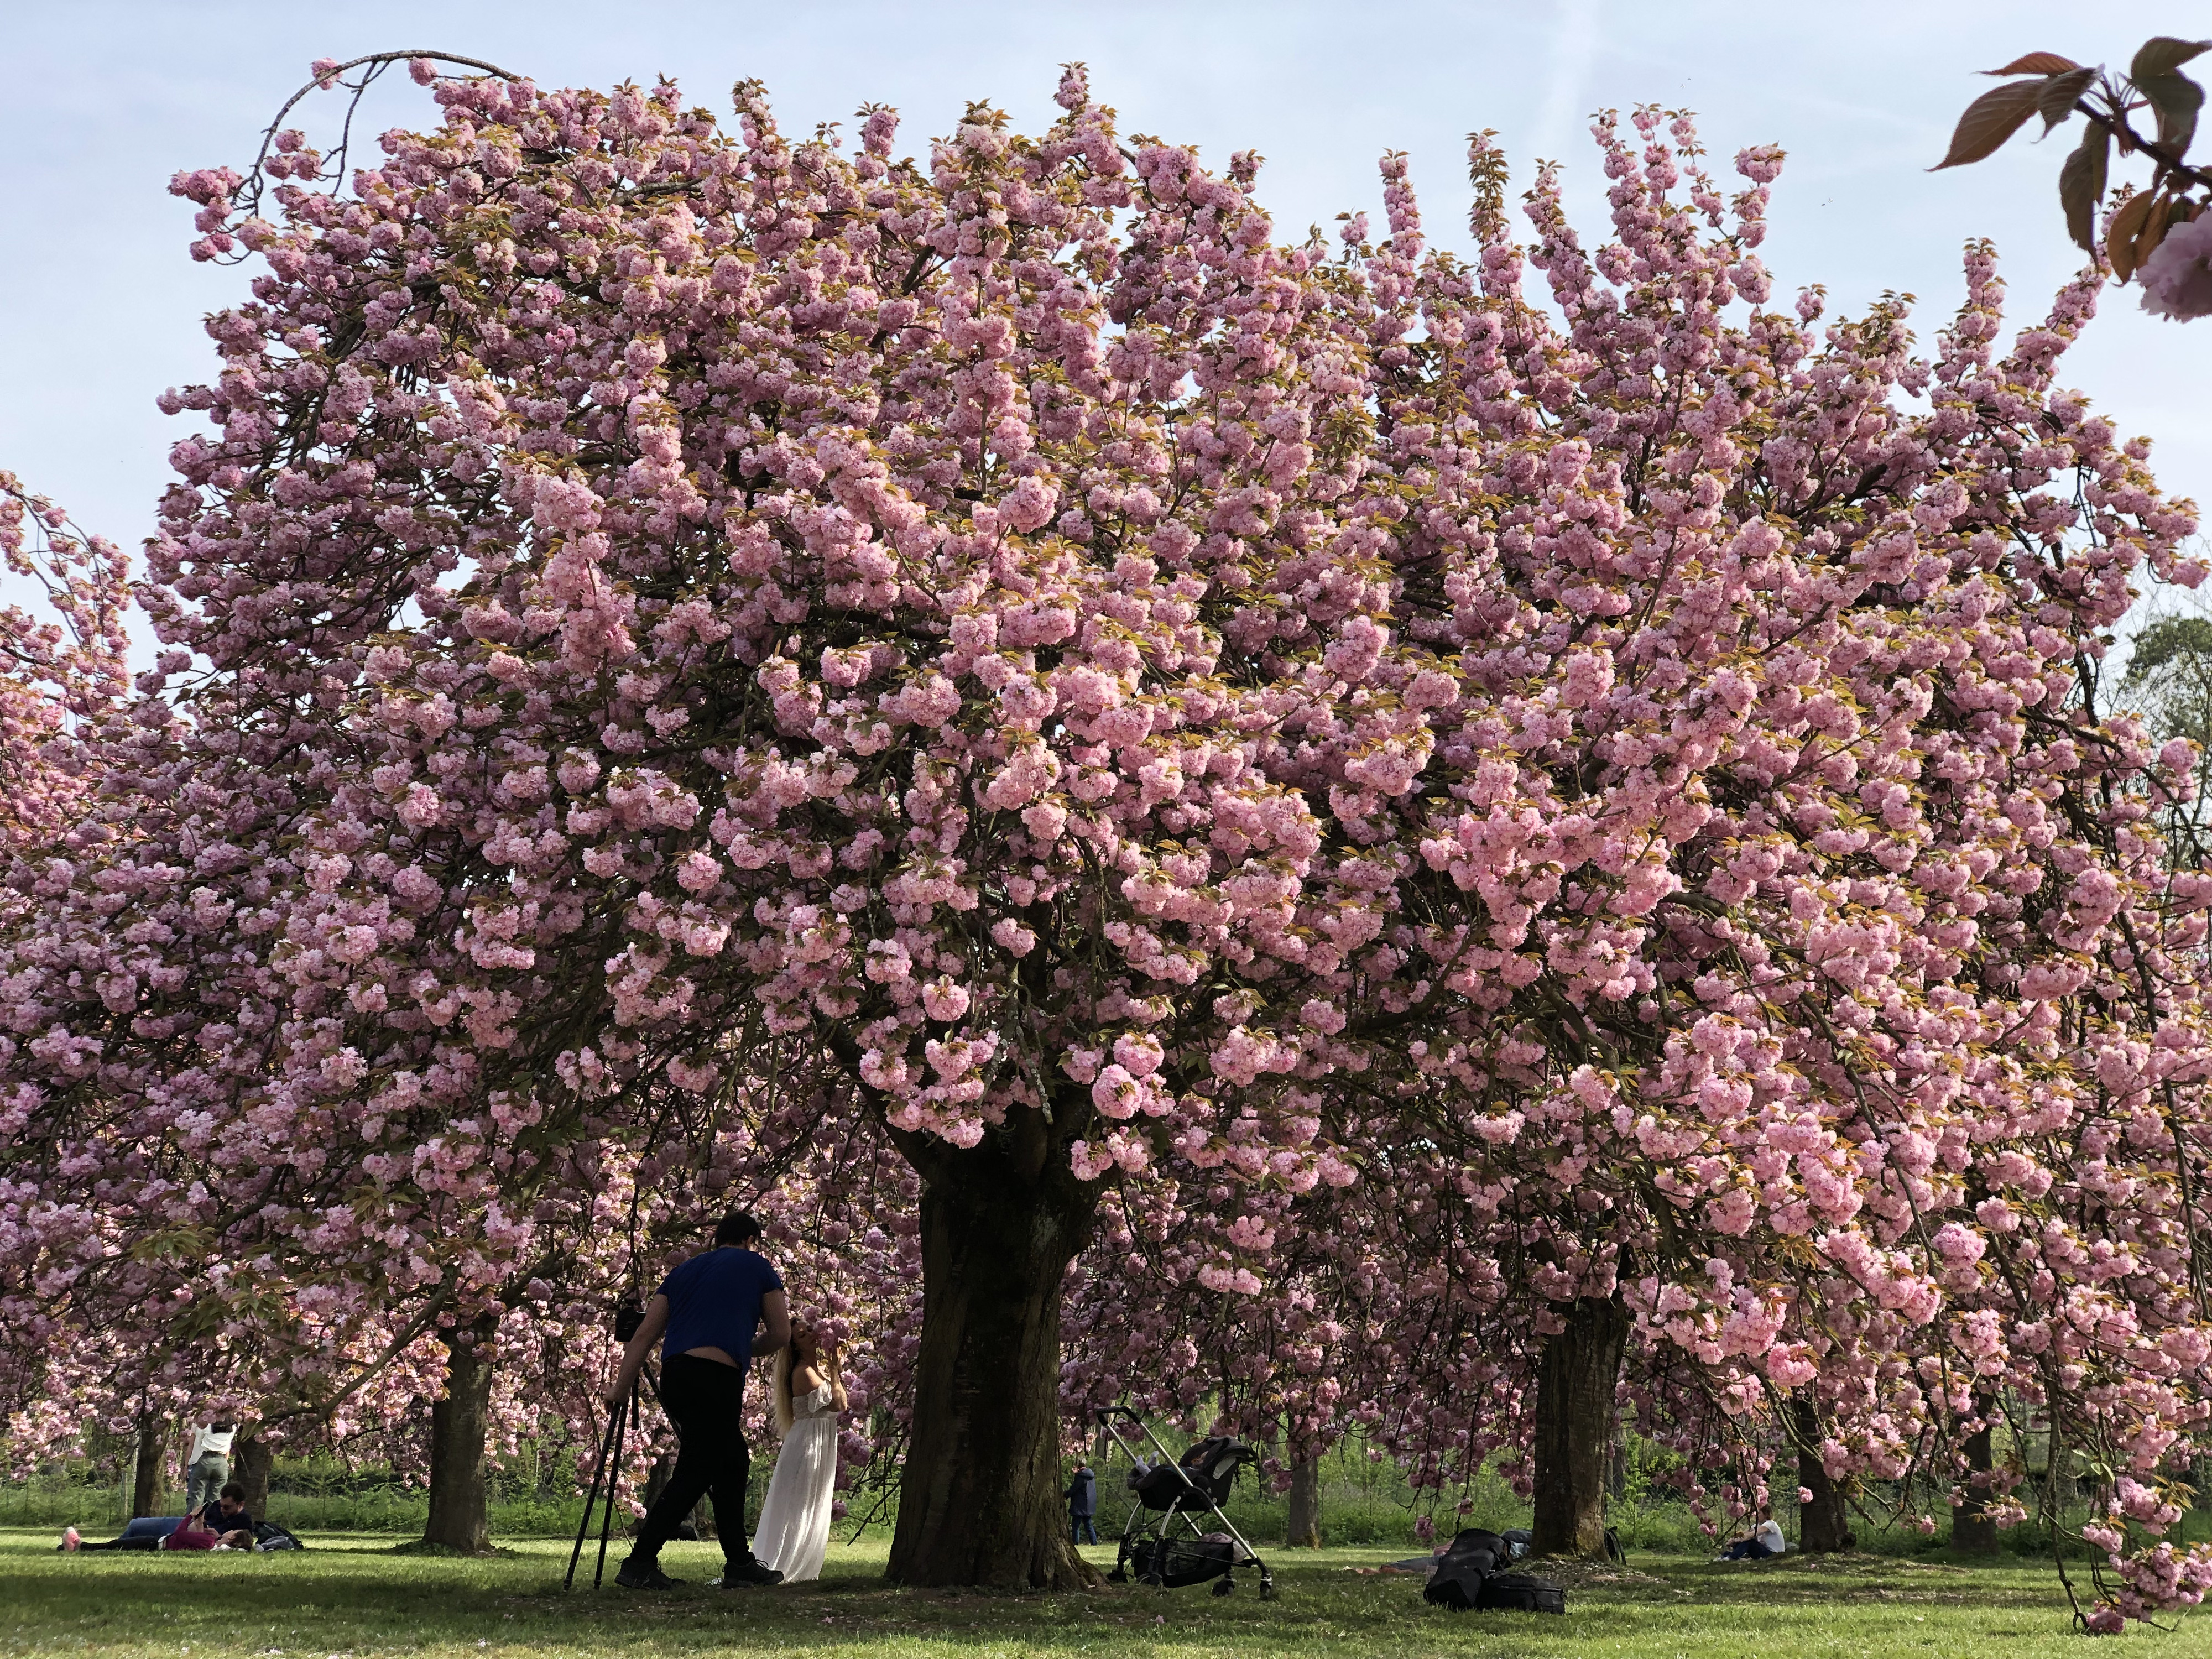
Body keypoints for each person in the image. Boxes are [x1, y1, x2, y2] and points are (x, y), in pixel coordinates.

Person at [607, 1208, 791, 1592]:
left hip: (677, 1374)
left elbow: (644, 1334)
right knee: (699, 1470)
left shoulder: (682, 1273)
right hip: (717, 1376)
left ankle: (739, 1562)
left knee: (730, 1460)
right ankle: (640, 1561)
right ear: (751, 1240)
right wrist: (747, 1346)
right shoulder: (757, 1266)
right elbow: (780, 1333)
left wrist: (621, 1387)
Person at [750, 1322, 849, 1583]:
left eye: (809, 1329)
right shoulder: (804, 1373)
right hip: (808, 1445)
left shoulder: (819, 1371)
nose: (810, 1335)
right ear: (795, 1345)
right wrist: (836, 1370)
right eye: (802, 1336)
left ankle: (805, 1564)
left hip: (820, 1442)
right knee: (799, 1505)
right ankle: (786, 1561)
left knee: (813, 1503)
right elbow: (839, 1404)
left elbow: (844, 1402)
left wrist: (832, 1368)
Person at [65, 1483, 258, 1552]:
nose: (222, 1510)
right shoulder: (216, 1508)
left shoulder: (243, 1524)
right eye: (221, 1505)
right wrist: (198, 1520)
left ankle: (87, 1547)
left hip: (176, 1536)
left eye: (228, 1507)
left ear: (241, 1505)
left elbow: (244, 1543)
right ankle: (92, 1547)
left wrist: (215, 1535)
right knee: (135, 1527)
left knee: (130, 1542)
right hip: (180, 1532)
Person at [184, 1423, 237, 1512]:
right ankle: (213, 1522)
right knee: (217, 1498)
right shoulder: (232, 1428)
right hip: (222, 1461)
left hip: (206, 1459)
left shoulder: (205, 1426)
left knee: (197, 1496)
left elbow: (199, 1442)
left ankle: (191, 1522)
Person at [1714, 1505, 1787, 1561]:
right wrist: (1732, 1540)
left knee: (1750, 1541)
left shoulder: (1770, 1524)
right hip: (1763, 1551)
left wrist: (1737, 1539)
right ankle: (1727, 1556)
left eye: (1759, 1513)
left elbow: (1752, 1534)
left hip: (1773, 1553)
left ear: (1766, 1514)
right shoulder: (1757, 1525)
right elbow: (1744, 1533)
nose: (1756, 1515)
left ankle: (1730, 1557)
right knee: (1741, 1542)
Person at [1066, 1461, 1099, 1546]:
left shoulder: (1080, 1476)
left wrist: (1065, 1494)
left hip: (1079, 1505)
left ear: (1078, 1467)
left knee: (1076, 1525)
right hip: (1089, 1505)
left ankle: (1075, 1543)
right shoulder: (1091, 1476)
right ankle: (1094, 1543)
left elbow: (1074, 1489)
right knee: (1088, 1525)